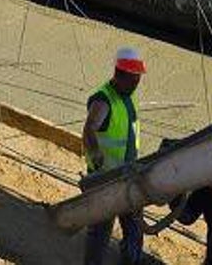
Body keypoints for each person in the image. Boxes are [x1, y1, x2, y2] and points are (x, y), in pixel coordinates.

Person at [83, 46, 146, 265]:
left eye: (139, 78)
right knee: (100, 233)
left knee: (134, 231)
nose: (137, 83)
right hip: (107, 181)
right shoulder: (103, 100)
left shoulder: (128, 96)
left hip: (128, 176)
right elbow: (90, 128)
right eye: (134, 78)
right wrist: (95, 155)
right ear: (120, 74)